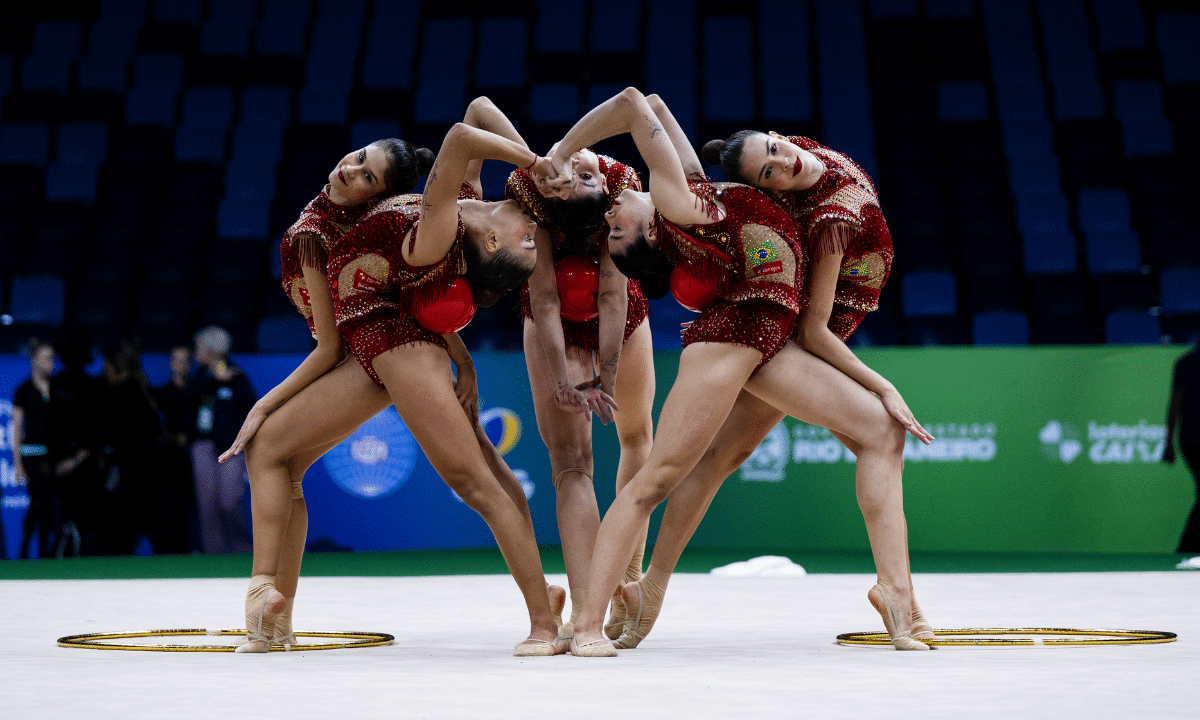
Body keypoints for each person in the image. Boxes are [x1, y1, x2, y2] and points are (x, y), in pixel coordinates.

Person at [546, 87, 933, 655]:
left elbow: (651, 101)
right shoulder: (678, 201)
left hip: (770, 337)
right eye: (613, 227)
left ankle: (648, 592)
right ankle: (587, 623)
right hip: (742, 335)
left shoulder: (698, 190)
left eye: (774, 156)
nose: (612, 212)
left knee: (747, 453)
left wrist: (578, 156)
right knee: (655, 479)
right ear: (649, 232)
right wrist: (561, 151)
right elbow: (631, 103)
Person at [223, 99, 563, 656]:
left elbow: (458, 135)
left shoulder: (436, 223)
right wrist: (466, 359)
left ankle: (543, 626)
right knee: (281, 457)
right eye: (534, 232)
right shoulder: (465, 205)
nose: (531, 226)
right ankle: (270, 620)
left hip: (391, 350)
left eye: (530, 237)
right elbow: (478, 112)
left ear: (495, 245)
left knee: (473, 482)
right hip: (381, 347)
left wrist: (533, 162)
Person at [505, 124, 655, 640]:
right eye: (572, 176)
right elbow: (544, 296)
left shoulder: (623, 186)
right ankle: (586, 612)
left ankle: (627, 573)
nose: (575, 168)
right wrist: (565, 380)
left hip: (622, 315)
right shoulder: (528, 189)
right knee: (571, 465)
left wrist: (604, 377)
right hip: (550, 319)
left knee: (637, 436)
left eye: (585, 175)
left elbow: (613, 294)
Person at [189, 326, 256, 554]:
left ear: (211, 350)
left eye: (199, 348)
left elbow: (252, 407)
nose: (196, 352)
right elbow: (187, 395)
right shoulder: (200, 376)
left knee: (230, 502)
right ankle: (213, 556)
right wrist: (213, 380)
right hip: (202, 447)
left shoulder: (236, 376)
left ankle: (242, 551)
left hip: (230, 449)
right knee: (207, 506)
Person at [96, 339, 163, 555]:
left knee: (133, 523)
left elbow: (120, 434)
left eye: (106, 366)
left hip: (134, 471)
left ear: (116, 366)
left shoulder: (127, 393)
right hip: (138, 470)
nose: (104, 371)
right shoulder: (136, 389)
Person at [12, 339, 58, 559]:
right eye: (46, 358)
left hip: (51, 458)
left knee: (49, 507)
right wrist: (18, 463)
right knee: (37, 502)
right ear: (34, 360)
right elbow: (16, 429)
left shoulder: (57, 388)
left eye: (52, 357)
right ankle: (24, 547)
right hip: (31, 456)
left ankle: (44, 554)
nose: (50, 362)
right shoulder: (23, 390)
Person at [154, 344, 199, 553]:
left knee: (195, 506)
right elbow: (156, 428)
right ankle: (171, 550)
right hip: (169, 460)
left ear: (190, 363)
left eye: (184, 360)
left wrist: (189, 439)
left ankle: (193, 549)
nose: (180, 364)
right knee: (169, 506)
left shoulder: (198, 391)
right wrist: (173, 438)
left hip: (195, 456)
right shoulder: (161, 394)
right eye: (176, 359)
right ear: (170, 363)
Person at [1165, 340, 1200, 553]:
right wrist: (1168, 442)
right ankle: (1187, 548)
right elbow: (1175, 403)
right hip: (1194, 439)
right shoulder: (1187, 363)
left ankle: (1187, 548)